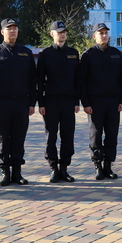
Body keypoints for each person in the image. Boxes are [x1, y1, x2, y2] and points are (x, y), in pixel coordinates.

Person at [0, 18, 37, 185]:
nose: (12, 31)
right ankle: (5, 172)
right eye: (9, 28)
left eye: (15, 28)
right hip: (1, 104)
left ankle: (17, 172)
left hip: (21, 103)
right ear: (2, 32)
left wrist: (31, 103)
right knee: (3, 139)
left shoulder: (26, 53)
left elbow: (32, 80)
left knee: (19, 138)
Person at [79, 23, 122, 180]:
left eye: (106, 33)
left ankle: (108, 166)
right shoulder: (88, 55)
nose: (104, 35)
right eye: (101, 33)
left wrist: (121, 100)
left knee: (112, 134)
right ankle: (97, 165)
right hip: (95, 102)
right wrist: (86, 103)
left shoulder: (116, 53)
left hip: (113, 101)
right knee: (96, 134)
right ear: (94, 36)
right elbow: (82, 81)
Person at [37, 20, 80, 183]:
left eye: (64, 32)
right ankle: (53, 168)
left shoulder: (73, 53)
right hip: (51, 101)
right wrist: (41, 103)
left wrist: (77, 101)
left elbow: (77, 79)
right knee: (51, 136)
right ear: (52, 34)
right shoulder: (45, 54)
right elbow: (39, 80)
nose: (62, 34)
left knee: (68, 136)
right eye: (59, 32)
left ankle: (64, 168)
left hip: (68, 101)